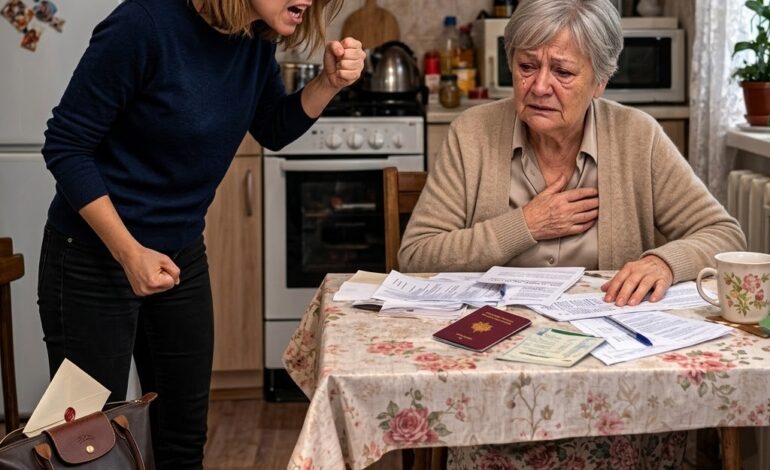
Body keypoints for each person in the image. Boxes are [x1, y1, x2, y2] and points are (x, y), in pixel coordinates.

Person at [398, 0, 745, 467]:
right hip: (494, 379)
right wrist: (526, 225)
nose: (540, 86)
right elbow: (416, 255)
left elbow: (724, 234)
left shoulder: (636, 136)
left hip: (613, 377)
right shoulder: (473, 132)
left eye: (562, 71)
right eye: (526, 66)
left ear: (599, 81)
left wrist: (663, 261)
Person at [37, 0, 364, 468]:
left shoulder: (253, 39)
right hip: (93, 257)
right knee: (89, 450)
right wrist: (130, 253)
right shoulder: (143, 24)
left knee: (182, 441)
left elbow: (272, 126)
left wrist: (329, 83)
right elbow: (66, 145)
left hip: (180, 254)